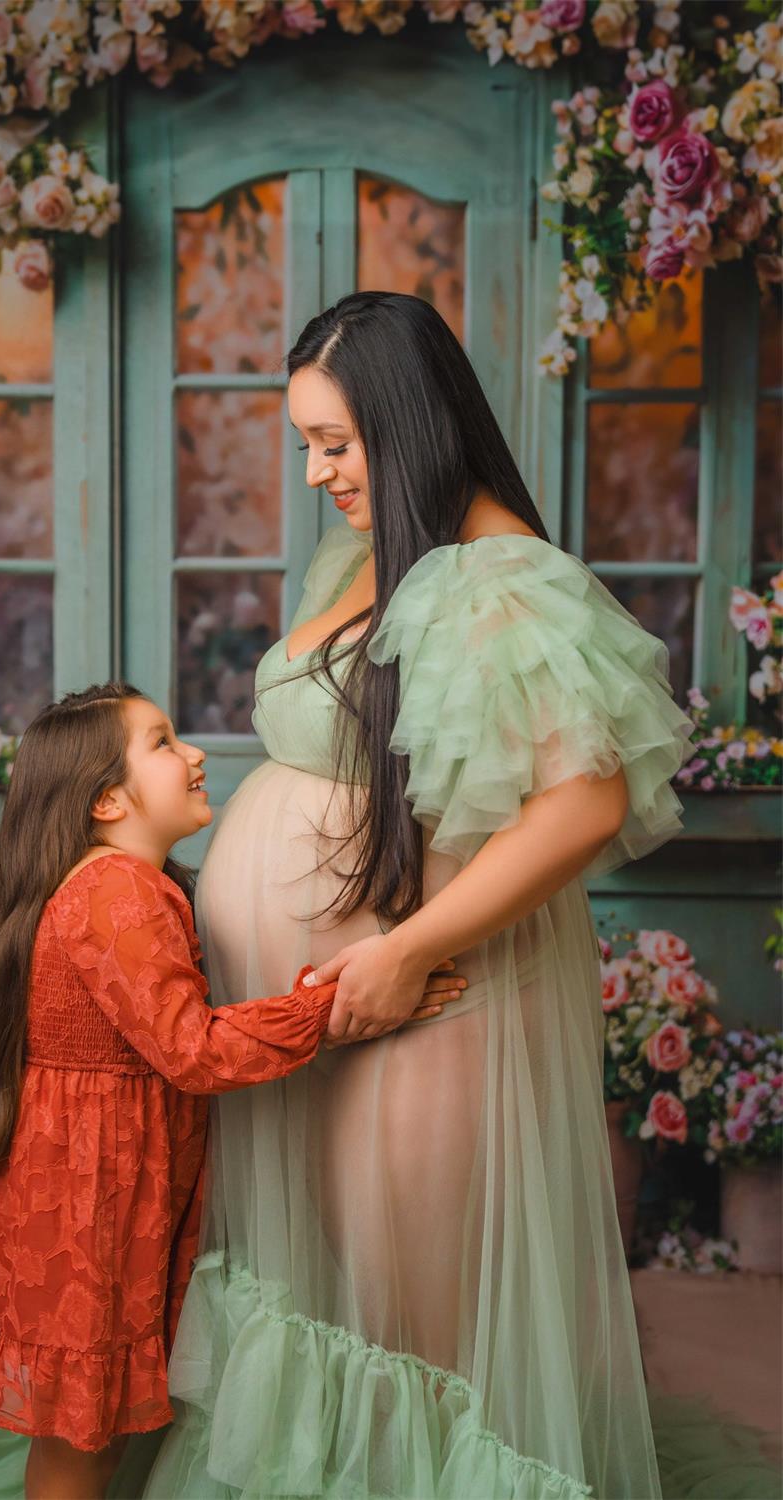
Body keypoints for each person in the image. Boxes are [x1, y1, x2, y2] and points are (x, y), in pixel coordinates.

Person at [137, 290, 715, 1500]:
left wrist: (404, 952)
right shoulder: (373, 556)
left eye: (335, 445)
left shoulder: (502, 581)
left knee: (409, 1319)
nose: (315, 474)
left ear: (410, 425)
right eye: (307, 444)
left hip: (435, 1001)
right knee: (329, 1300)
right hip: (319, 1014)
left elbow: (585, 805)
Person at [0, 679, 462, 1500]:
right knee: (83, 1442)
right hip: (89, 1202)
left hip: (82, 1187)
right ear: (108, 798)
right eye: (163, 742)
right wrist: (337, 1002)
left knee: (88, 1438)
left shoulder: (104, 883)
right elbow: (193, 1050)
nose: (193, 756)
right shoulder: (118, 891)